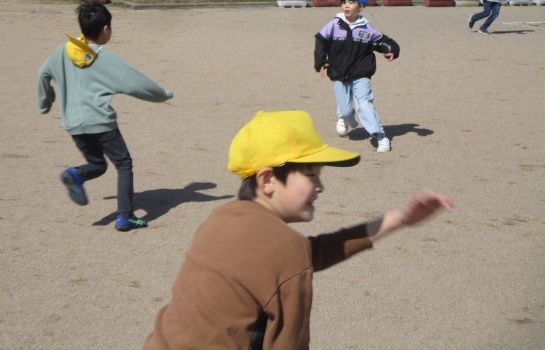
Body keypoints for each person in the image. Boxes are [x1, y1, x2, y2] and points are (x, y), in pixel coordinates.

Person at [143, 110, 454, 349]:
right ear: (268, 180)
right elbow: (288, 342)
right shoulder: (285, 247)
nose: (320, 187)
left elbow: (311, 253)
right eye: (311, 175)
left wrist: (399, 218)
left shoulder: (222, 217)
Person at [37, 2, 173, 231]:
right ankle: (125, 216)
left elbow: (43, 73)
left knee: (97, 164)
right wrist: (163, 95)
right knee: (123, 164)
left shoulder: (62, 51)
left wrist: (45, 102)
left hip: (73, 124)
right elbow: (137, 83)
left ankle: (75, 173)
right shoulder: (105, 59)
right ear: (106, 29)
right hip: (101, 122)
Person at [314, 0, 400, 153]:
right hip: (338, 73)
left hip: (361, 73)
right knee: (346, 110)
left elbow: (383, 41)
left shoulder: (366, 27)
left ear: (360, 6)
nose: (346, 6)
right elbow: (320, 40)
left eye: (351, 2)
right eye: (344, 2)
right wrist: (321, 61)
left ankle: (380, 136)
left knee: (365, 103)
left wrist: (391, 50)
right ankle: (345, 117)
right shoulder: (334, 24)